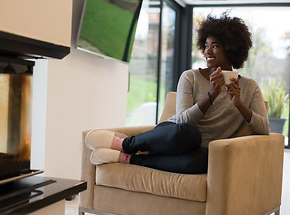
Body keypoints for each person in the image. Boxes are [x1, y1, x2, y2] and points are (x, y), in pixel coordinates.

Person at [85, 13, 270, 174]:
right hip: (175, 135)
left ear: (231, 48)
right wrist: (211, 96)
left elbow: (264, 129)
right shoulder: (190, 77)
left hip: (199, 151)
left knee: (201, 161)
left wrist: (238, 104)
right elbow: (182, 122)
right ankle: (125, 145)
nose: (207, 51)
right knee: (190, 134)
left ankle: (128, 158)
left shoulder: (249, 87)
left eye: (215, 46)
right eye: (206, 45)